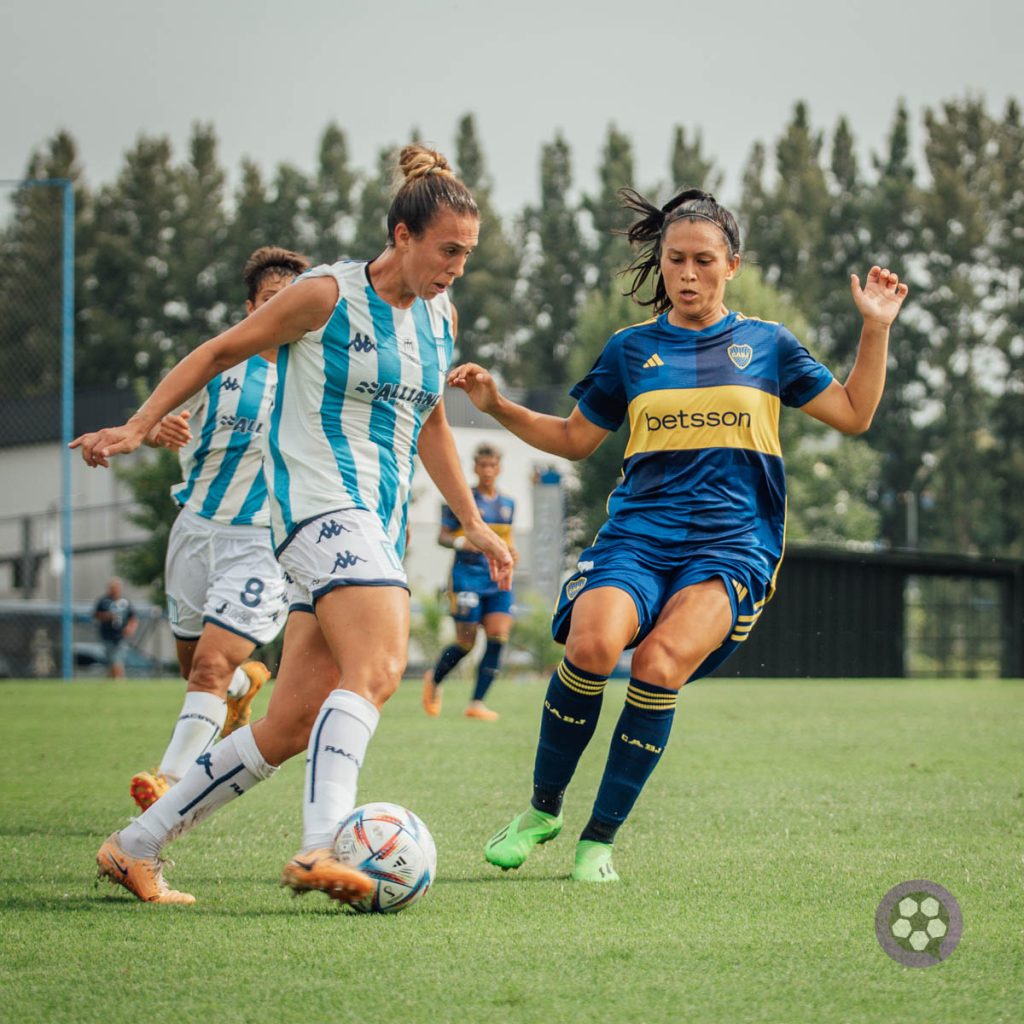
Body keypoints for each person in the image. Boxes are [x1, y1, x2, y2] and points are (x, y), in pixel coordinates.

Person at [73, 144, 513, 907]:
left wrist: (471, 521)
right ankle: (320, 847)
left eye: (467, 254)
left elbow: (432, 419)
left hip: (375, 521)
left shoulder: (439, 315)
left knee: (295, 719)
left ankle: (134, 847)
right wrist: (141, 425)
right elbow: (220, 350)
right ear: (402, 237)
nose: (456, 267)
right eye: (448, 249)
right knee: (378, 669)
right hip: (315, 507)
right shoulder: (326, 296)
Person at [448, 187, 909, 883]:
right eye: (673, 260)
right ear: (658, 264)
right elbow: (575, 438)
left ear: (732, 265)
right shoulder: (630, 350)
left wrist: (874, 328)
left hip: (732, 543)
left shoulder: (768, 345)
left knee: (660, 664)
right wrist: (496, 405)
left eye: (702, 260)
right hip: (638, 534)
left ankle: (597, 841)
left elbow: (853, 414)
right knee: (593, 643)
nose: (687, 274)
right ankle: (543, 810)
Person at [127, 246, 311, 814]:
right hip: (195, 529)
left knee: (208, 665)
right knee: (198, 671)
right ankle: (243, 687)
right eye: (269, 302)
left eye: (292, 301)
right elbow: (159, 415)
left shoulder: (318, 375)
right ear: (251, 307)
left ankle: (169, 782)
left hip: (261, 541)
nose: (281, 312)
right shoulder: (219, 363)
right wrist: (155, 430)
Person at [422, 442, 517, 721]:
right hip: (467, 578)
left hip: (496, 579)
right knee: (466, 642)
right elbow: (442, 537)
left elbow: (506, 540)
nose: (487, 470)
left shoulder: (509, 504)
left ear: (499, 468)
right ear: (475, 467)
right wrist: (464, 542)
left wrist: (512, 552)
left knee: (499, 636)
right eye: (482, 465)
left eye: (492, 465)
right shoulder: (464, 499)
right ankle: (435, 679)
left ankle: (476, 702)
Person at [93, 577, 138, 679]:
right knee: (111, 659)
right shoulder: (103, 601)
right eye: (113, 587)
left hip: (121, 635)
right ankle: (113, 679)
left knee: (118, 658)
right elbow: (96, 615)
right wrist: (108, 616)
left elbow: (133, 617)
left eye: (117, 587)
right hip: (107, 635)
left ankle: (118, 679)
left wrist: (130, 628)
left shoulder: (125, 602)